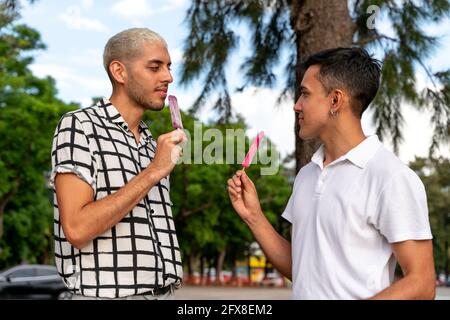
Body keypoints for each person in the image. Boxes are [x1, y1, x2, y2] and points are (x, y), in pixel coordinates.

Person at [227, 47, 436, 300]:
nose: (296, 105)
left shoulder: (391, 177)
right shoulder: (307, 175)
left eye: (305, 94)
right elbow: (302, 269)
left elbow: (422, 284)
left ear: (335, 100)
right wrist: (254, 217)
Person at [50, 28, 186, 300]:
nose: (168, 77)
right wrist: (153, 172)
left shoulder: (152, 143)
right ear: (119, 72)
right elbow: (77, 228)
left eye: (168, 67)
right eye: (154, 67)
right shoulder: (79, 126)